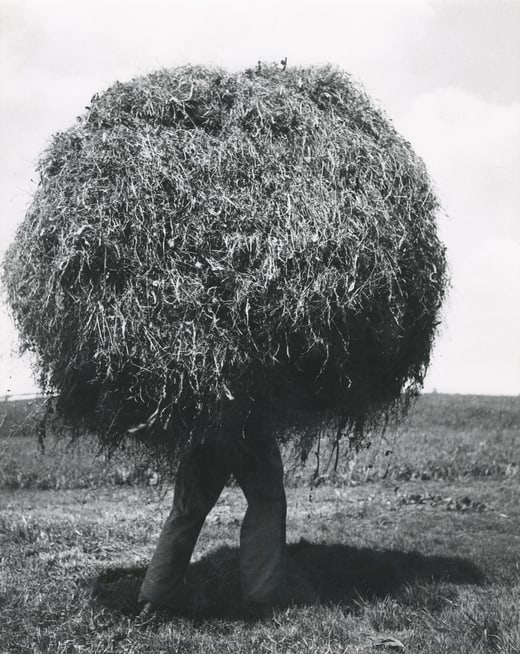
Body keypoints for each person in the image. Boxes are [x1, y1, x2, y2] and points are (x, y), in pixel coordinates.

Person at [138, 401, 288, 618]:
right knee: (267, 502)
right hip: (247, 422)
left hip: (210, 421)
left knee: (187, 509)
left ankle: (156, 598)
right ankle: (261, 599)